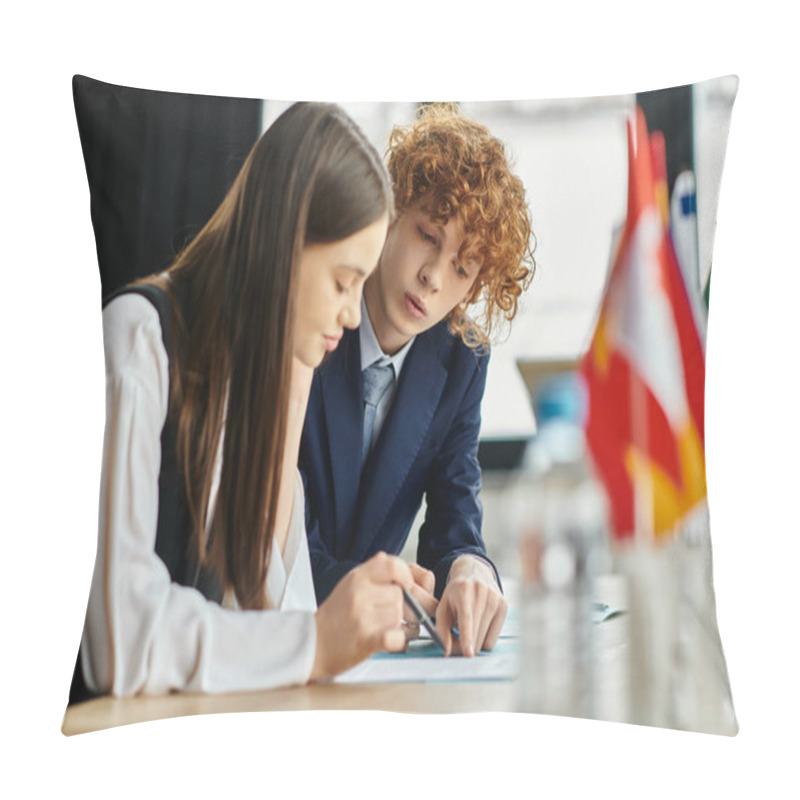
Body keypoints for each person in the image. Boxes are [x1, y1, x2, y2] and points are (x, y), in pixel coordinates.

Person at [71, 102, 414, 700]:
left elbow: (266, 620)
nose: (352, 314)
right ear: (285, 241)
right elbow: (118, 642)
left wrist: (297, 379)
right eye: (342, 281)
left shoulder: (250, 391)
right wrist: (314, 643)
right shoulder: (138, 342)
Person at [300, 104, 534, 658]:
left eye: (462, 268)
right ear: (391, 210)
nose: (433, 277)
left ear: (474, 289)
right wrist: (381, 600)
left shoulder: (462, 361)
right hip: (275, 628)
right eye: (428, 234)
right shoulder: (313, 308)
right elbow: (275, 545)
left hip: (375, 659)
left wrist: (470, 571)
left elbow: (455, 517)